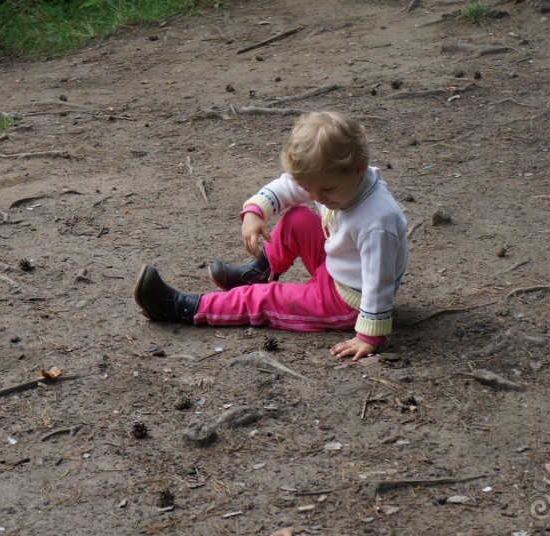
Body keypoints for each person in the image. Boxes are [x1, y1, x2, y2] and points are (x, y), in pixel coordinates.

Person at [134, 111, 408, 361]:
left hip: (347, 298)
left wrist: (369, 335)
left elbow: (378, 280)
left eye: (325, 191)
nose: (316, 197)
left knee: (263, 299)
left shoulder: (377, 223)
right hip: (340, 264)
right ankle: (259, 272)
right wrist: (256, 210)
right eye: (309, 189)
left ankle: (181, 307)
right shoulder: (336, 182)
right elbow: (290, 186)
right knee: (297, 217)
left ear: (359, 167)